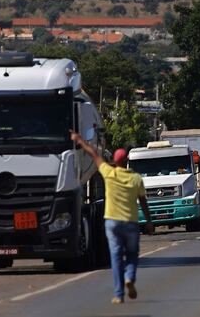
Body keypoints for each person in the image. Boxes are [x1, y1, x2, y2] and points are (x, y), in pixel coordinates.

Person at [69, 130, 154, 304]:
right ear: (127, 162)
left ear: (115, 161)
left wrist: (79, 139)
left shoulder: (109, 173)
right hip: (130, 223)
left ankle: (119, 293)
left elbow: (93, 153)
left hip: (112, 222)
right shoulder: (136, 179)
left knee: (115, 257)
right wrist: (150, 222)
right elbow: (143, 202)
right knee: (131, 255)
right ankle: (129, 277)